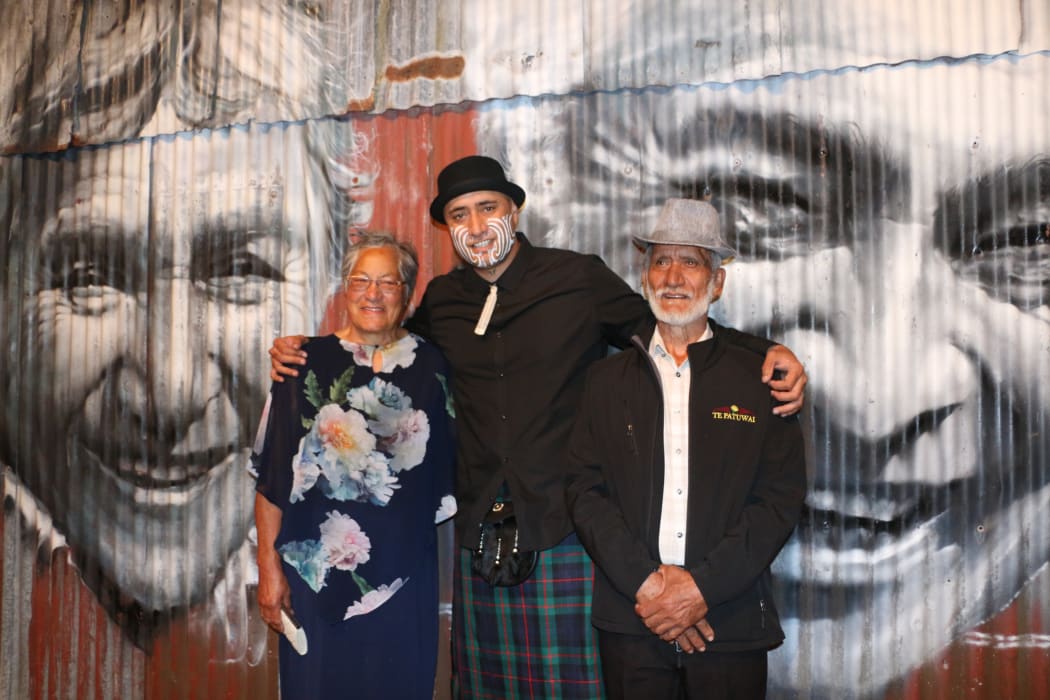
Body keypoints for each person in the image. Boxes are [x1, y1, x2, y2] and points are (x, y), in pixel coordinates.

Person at [269, 155, 808, 697]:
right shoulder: (443, 300)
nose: (476, 226)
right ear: (447, 227)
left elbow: (672, 327)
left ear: (516, 209)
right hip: (482, 524)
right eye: (460, 215)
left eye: (488, 208)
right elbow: (388, 345)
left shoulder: (577, 278)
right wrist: (310, 350)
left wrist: (765, 351)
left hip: (564, 524)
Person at [566, 198, 807, 699]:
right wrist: (651, 588)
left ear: (717, 282)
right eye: (661, 260)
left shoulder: (761, 378)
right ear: (644, 275)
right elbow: (585, 492)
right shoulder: (604, 381)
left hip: (729, 621)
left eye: (692, 261)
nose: (673, 276)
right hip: (634, 619)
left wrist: (699, 591)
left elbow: (779, 498)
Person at [251, 233, 456, 699]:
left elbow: (448, 475)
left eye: (388, 282)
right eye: (361, 280)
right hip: (314, 579)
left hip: (404, 581)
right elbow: (271, 482)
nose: (373, 293)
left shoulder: (432, 367)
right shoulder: (301, 363)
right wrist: (268, 569)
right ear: (345, 288)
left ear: (407, 294)